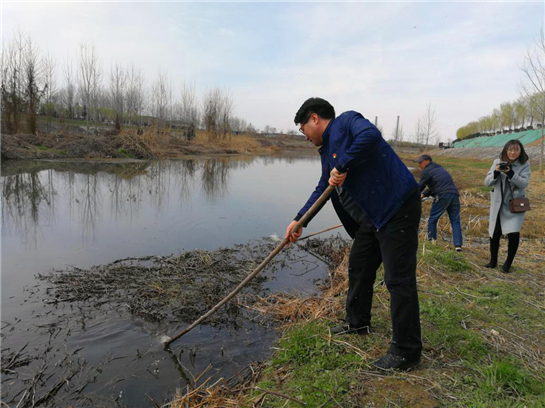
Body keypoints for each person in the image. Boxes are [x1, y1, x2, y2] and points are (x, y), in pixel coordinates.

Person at [285, 98, 422, 371]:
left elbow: (370, 135)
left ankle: (407, 351)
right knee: (359, 265)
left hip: (397, 206)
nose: (305, 137)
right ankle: (357, 322)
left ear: (314, 119)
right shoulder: (326, 151)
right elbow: (324, 187)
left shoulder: (347, 122)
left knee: (398, 279)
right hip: (374, 216)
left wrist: (344, 164)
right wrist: (300, 219)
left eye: (303, 130)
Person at [484, 140, 531, 273]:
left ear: (520, 151)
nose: (512, 152)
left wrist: (511, 174)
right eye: (510, 150)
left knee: (513, 233)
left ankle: (507, 264)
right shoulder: (496, 162)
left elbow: (523, 184)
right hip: (498, 204)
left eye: (516, 150)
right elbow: (487, 183)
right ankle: (493, 261)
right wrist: (496, 173)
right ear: (505, 150)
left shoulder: (524, 164)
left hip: (515, 205)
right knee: (495, 232)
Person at [415, 154, 463, 251]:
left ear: (427, 161)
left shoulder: (427, 171)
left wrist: (412, 198)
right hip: (454, 195)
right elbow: (438, 185)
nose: (419, 165)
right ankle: (458, 246)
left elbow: (419, 187)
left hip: (442, 196)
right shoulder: (439, 168)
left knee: (432, 219)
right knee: (455, 221)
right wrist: (424, 195)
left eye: (420, 162)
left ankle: (431, 242)